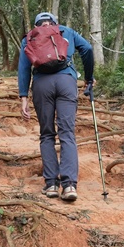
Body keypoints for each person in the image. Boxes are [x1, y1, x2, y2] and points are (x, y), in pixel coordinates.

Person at [18, 11, 94, 202]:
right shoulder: (66, 31)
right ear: (54, 23)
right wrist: (88, 77)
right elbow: (88, 49)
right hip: (66, 81)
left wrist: (23, 96)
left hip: (42, 84)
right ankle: (69, 186)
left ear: (37, 25)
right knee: (67, 133)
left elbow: (24, 68)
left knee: (46, 134)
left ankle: (51, 184)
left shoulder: (30, 37)